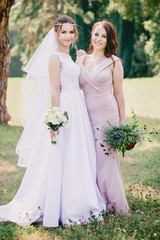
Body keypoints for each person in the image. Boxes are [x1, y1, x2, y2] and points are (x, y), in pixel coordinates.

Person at [0, 15, 105, 228]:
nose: (67, 36)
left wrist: (80, 61)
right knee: (61, 153)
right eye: (63, 32)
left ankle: (79, 199)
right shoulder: (54, 57)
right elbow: (54, 90)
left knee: (77, 152)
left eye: (70, 32)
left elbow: (75, 79)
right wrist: (55, 119)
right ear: (56, 34)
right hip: (65, 108)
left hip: (78, 108)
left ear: (75, 34)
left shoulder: (70, 56)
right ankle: (55, 204)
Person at [77, 20, 129, 215]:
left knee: (106, 160)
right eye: (96, 34)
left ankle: (115, 204)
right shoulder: (80, 60)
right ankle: (95, 201)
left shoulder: (115, 62)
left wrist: (122, 123)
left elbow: (119, 94)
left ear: (109, 40)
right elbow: (74, 87)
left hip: (107, 115)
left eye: (103, 36)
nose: (99, 39)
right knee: (89, 158)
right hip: (85, 114)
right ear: (91, 35)